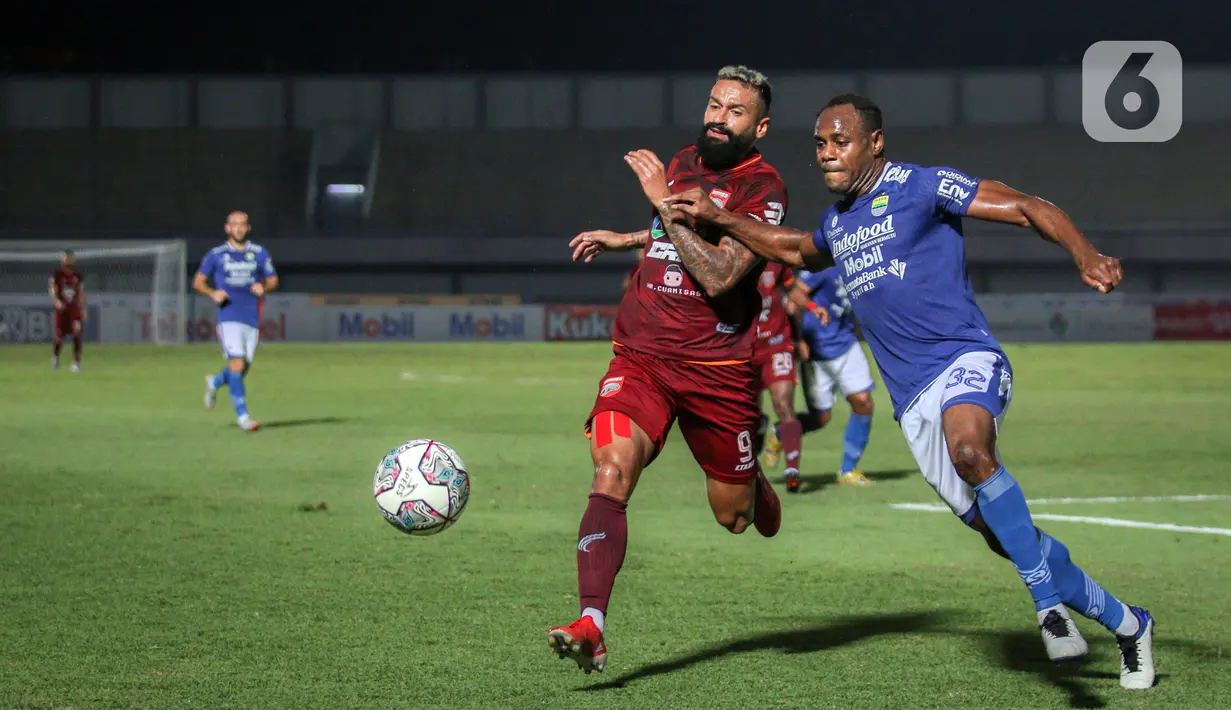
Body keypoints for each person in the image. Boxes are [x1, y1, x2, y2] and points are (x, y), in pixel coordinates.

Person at [662, 94, 1154, 690]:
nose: (826, 154)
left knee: (971, 451)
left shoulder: (922, 186)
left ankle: (1047, 607)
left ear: (875, 143)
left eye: (839, 141)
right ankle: (1129, 623)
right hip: (914, 401)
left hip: (966, 359)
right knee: (1009, 539)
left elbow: (1025, 207)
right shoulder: (839, 224)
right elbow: (792, 248)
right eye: (819, 143)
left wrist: (1086, 254)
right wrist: (719, 219)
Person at [551, 65, 787, 674]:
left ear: (758, 125)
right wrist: (627, 236)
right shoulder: (683, 161)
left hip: (717, 369)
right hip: (642, 355)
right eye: (714, 103)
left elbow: (719, 274)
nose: (717, 116)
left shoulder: (765, 190)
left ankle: (750, 480)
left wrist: (661, 203)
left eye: (734, 111)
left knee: (735, 519)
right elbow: (667, 229)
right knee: (610, 472)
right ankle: (592, 623)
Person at [788, 266, 877, 489]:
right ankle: (782, 432)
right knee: (821, 418)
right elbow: (794, 295)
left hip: (847, 343)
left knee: (863, 402)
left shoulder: (859, 260)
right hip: (817, 350)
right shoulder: (823, 263)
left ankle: (847, 470)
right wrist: (798, 339)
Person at [194, 211, 278, 432]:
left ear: (248, 228)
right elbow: (198, 281)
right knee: (237, 364)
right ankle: (244, 417)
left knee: (241, 369)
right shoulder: (216, 254)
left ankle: (214, 382)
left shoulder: (259, 253)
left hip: (251, 316)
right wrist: (212, 293)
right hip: (228, 315)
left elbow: (272, 279)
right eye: (234, 225)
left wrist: (265, 286)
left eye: (242, 225)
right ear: (227, 228)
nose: (238, 228)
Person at [752, 262, 805, 484]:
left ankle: (792, 470)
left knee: (783, 404)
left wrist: (811, 308)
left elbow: (793, 289)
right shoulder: (727, 258)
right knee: (747, 416)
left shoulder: (774, 261)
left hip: (778, 343)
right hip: (746, 348)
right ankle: (760, 427)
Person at [49, 250, 86, 372]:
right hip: (62, 310)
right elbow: (53, 290)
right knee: (59, 336)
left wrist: (83, 308)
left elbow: (81, 292)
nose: (68, 260)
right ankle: (55, 358)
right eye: (66, 258)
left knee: (77, 335)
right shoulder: (57, 274)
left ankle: (75, 363)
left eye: (70, 258)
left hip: (74, 309)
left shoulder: (77, 274)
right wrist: (57, 302)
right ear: (62, 259)